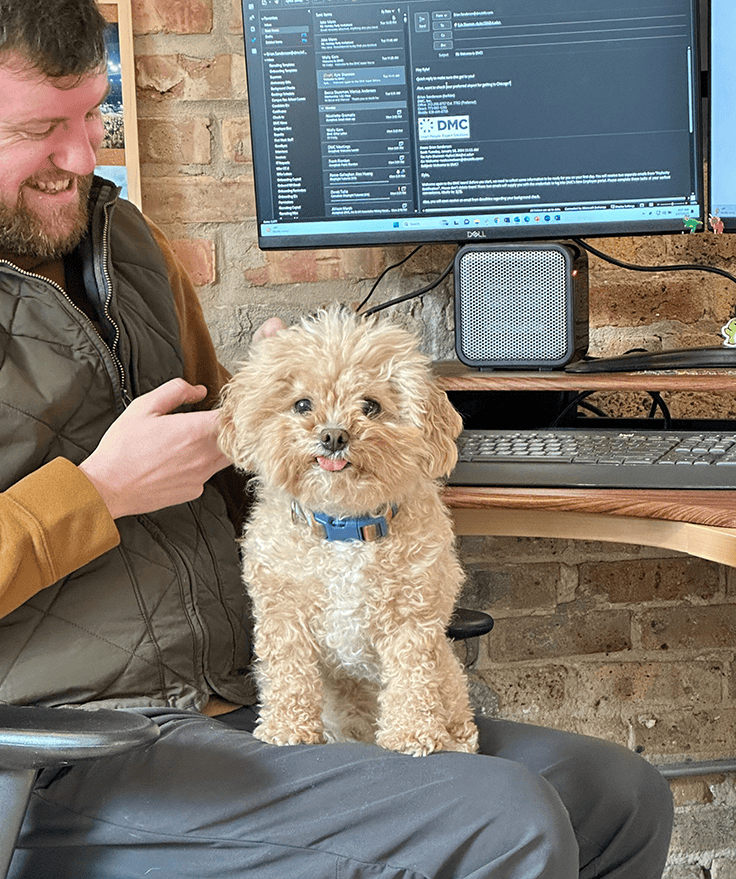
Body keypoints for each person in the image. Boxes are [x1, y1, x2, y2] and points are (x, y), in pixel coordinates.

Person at [0, 1, 674, 876]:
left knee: (615, 792)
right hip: (76, 742)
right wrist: (96, 494)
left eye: (94, 115)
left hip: (239, 695)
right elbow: (117, 489)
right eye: (39, 129)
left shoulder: (130, 249)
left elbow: (243, 471)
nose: (84, 158)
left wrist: (296, 422)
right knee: (500, 820)